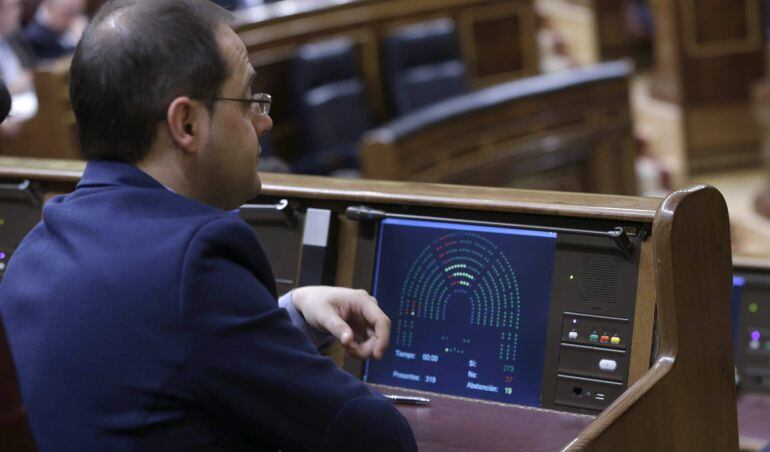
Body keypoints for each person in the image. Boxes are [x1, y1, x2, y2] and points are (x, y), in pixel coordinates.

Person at [0, 0, 417, 450]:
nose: (265, 120)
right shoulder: (196, 258)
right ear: (187, 123)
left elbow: (158, 353)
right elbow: (373, 436)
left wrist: (287, 315)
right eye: (248, 98)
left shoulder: (35, 250)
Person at [22, 0, 87, 61]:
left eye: (77, 13)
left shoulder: (62, 29)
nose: (72, 21)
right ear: (49, 8)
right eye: (68, 14)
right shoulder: (34, 37)